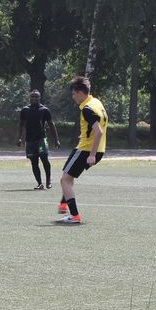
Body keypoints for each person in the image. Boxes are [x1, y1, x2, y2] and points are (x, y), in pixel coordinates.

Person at [57, 76, 108, 224]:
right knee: (69, 176)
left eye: (73, 94)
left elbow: (99, 132)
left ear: (80, 92)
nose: (73, 97)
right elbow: (99, 125)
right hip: (99, 149)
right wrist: (86, 134)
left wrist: (91, 155)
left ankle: (74, 215)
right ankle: (63, 204)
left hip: (86, 150)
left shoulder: (87, 109)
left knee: (65, 180)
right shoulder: (96, 102)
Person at [17, 89, 60, 189]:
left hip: (41, 139)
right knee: (34, 162)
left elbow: (51, 124)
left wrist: (56, 139)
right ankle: (39, 183)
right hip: (29, 140)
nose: (34, 98)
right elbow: (21, 125)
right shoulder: (25, 110)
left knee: (44, 159)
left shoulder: (44, 110)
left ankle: (48, 180)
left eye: (36, 96)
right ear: (30, 98)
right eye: (32, 96)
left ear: (39, 98)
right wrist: (19, 138)